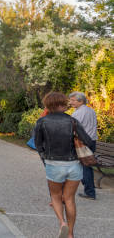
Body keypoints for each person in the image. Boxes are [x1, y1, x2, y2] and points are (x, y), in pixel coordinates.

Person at [34, 92, 93, 238]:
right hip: (73, 164)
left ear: (48, 105)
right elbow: (88, 141)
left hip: (53, 164)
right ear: (62, 104)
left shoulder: (41, 122)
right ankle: (71, 233)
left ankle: (62, 223)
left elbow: (38, 145)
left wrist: (45, 160)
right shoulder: (72, 121)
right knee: (69, 198)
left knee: (55, 196)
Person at [69, 91, 98, 200]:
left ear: (80, 101)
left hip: (83, 142)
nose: (70, 102)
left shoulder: (78, 113)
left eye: (73, 100)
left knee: (85, 167)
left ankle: (90, 192)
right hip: (91, 141)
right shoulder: (90, 110)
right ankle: (89, 188)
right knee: (86, 166)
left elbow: (72, 128)